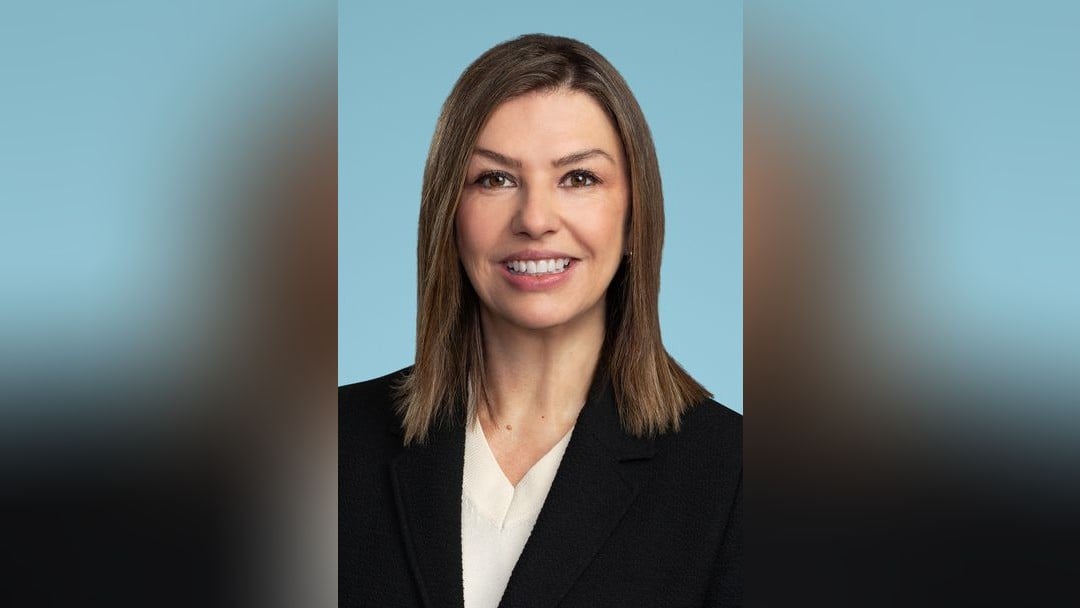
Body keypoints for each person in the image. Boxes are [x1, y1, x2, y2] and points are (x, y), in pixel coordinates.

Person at [340, 33, 741, 607]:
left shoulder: (732, 476)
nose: (534, 218)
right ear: (449, 215)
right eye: (495, 179)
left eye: (579, 178)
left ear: (634, 217)